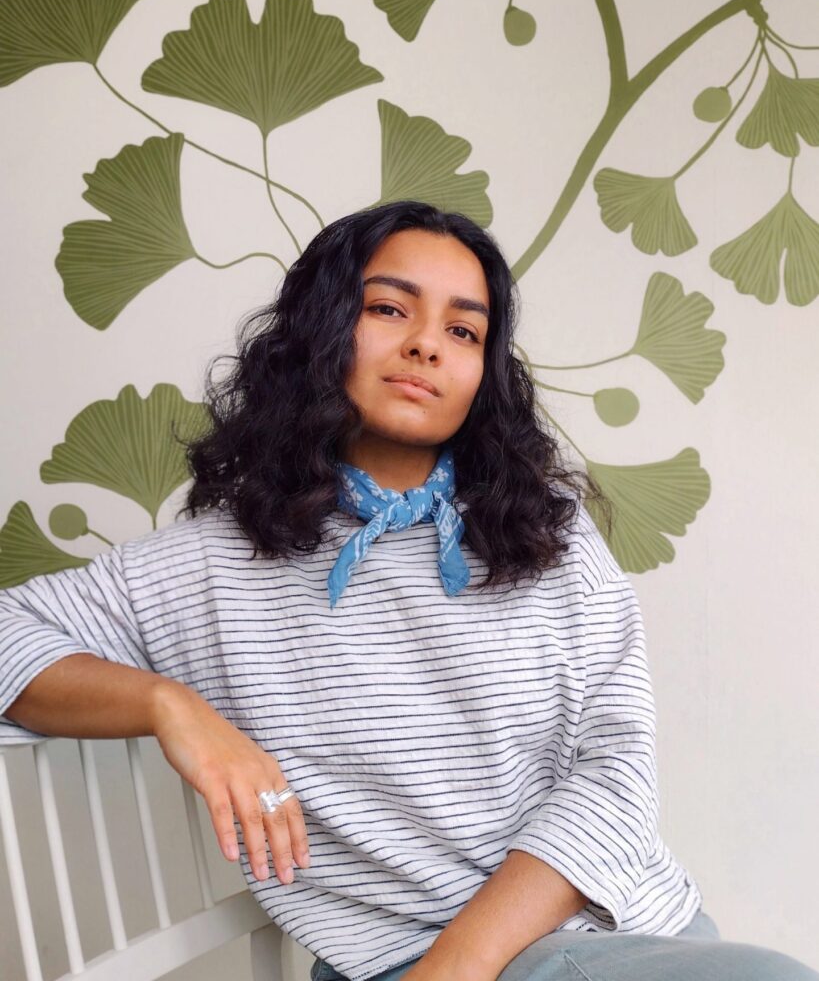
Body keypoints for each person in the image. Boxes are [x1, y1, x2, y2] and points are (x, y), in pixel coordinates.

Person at [0, 201, 815, 981]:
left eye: (463, 329)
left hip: (637, 931)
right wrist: (170, 706)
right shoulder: (207, 564)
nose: (428, 345)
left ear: (482, 371)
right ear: (319, 331)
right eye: (389, 310)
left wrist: (455, 968)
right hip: (404, 958)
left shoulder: (548, 532)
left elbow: (616, 771)